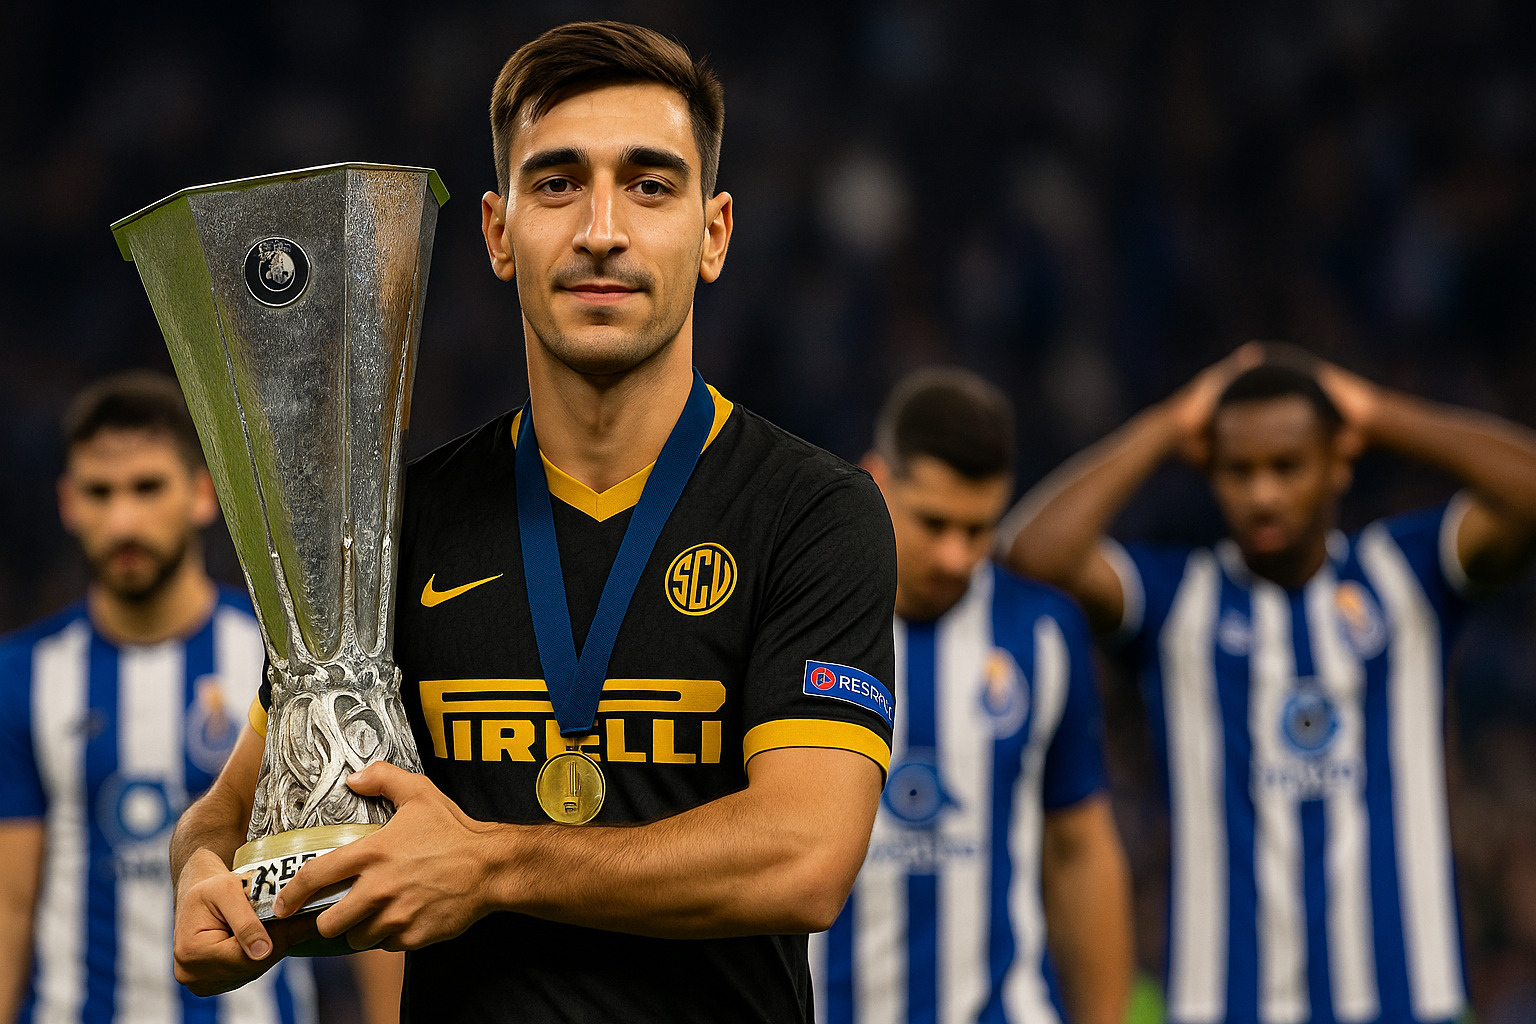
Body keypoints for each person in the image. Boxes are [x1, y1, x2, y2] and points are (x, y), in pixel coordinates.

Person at [169, 20, 898, 1024]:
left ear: (714, 233)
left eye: (649, 185)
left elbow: (804, 857)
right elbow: (234, 805)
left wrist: (492, 865)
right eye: (556, 183)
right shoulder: (396, 527)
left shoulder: (812, 511)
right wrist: (205, 875)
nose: (601, 229)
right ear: (498, 233)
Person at [1002, 344, 1536, 1024]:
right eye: (1239, 471)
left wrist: (1378, 414)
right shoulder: (1178, 600)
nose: (1263, 494)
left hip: (1405, 1000)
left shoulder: (1403, 576)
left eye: (1287, 466)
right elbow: (1033, 557)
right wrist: (1168, 424)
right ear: (1209, 470)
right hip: (1224, 1002)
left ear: (1338, 462)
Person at [0, 372, 330, 1022]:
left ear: (203, 493)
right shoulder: (19, 677)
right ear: (68, 503)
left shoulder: (290, 664)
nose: (123, 519)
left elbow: (351, 867)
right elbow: (9, 904)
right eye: (100, 492)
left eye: (147, 487)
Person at [810, 369, 1133, 1024]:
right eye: (933, 523)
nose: (955, 557)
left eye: (978, 529)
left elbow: (1080, 847)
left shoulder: (1042, 632)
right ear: (876, 481)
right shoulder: (796, 623)